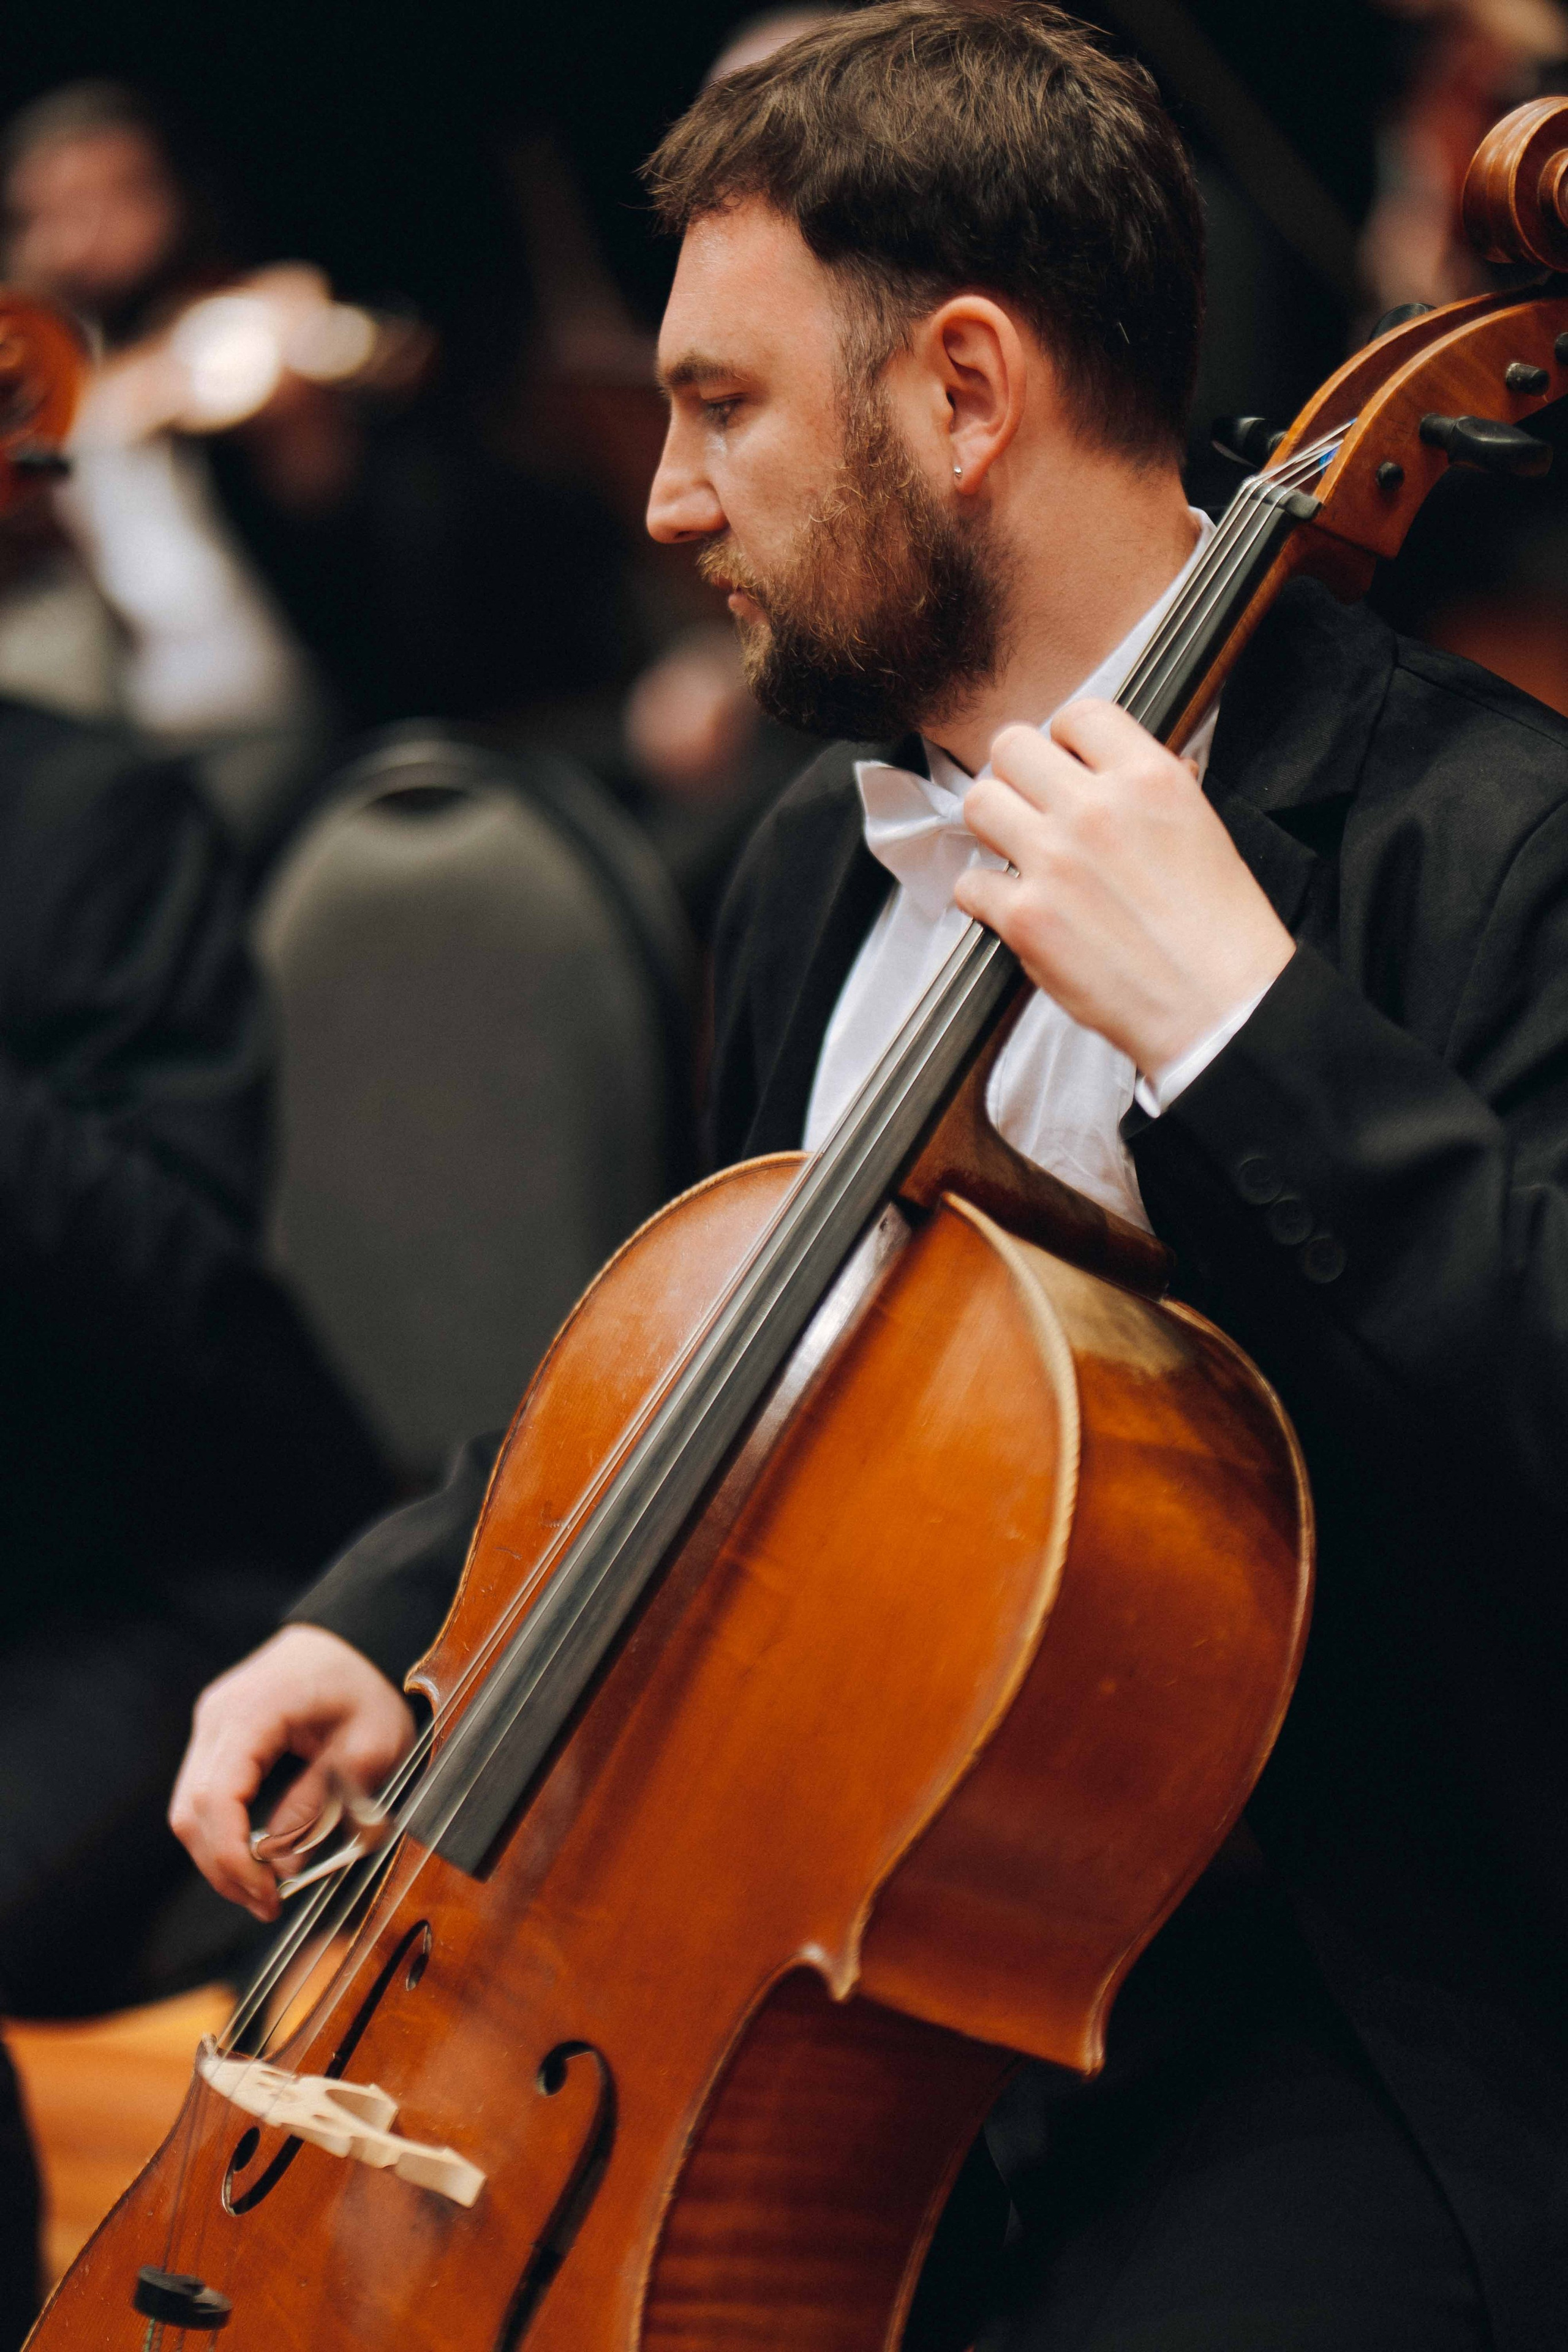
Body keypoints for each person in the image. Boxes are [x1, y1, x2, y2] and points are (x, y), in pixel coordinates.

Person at [169, 6, 1568, 2343]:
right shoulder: (810, 873)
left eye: (724, 405)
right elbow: (721, 1351)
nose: (662, 495)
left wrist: (1245, 1031)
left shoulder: (1482, 844)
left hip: (1342, 2015)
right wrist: (387, 1615)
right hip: (827, 1957)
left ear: (966, 394)